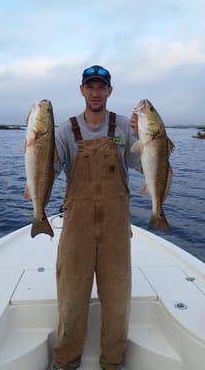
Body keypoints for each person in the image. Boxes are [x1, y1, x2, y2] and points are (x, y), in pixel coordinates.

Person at [50, 65, 141, 370]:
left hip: (116, 228)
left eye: (101, 87)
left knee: (117, 303)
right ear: (82, 91)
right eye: (90, 86)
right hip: (77, 228)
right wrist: (35, 145)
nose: (96, 92)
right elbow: (49, 171)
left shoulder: (124, 127)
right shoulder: (65, 130)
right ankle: (65, 361)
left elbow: (143, 166)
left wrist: (149, 139)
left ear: (110, 91)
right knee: (72, 300)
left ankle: (112, 362)